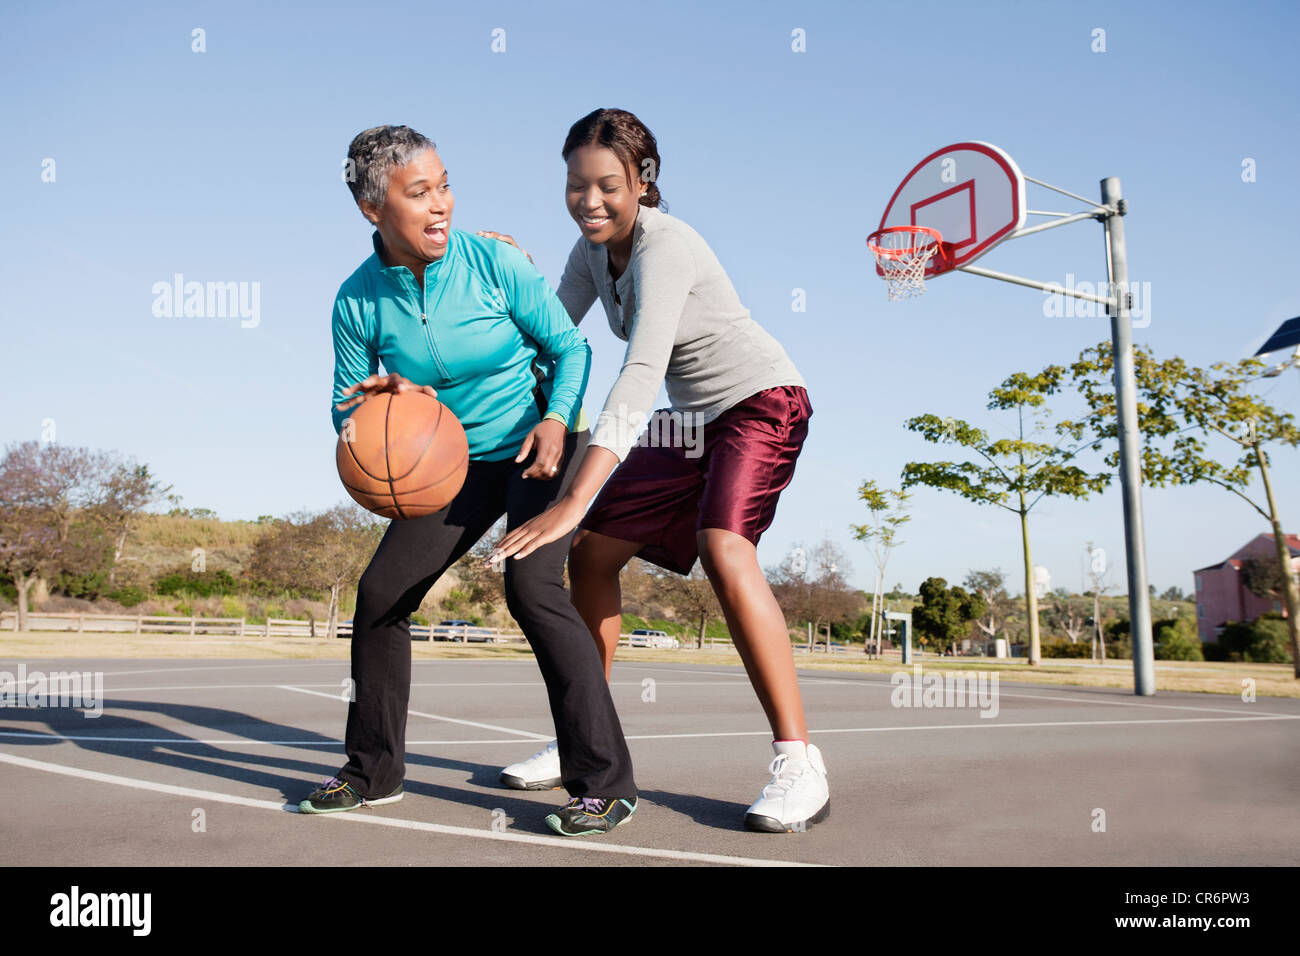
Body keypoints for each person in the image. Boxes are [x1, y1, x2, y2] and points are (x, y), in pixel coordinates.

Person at [487, 108, 828, 833]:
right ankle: (587, 736)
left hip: (759, 400)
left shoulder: (666, 246)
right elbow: (543, 339)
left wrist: (578, 494)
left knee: (724, 547)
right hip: (690, 422)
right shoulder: (589, 253)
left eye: (607, 185)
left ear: (643, 182)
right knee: (592, 555)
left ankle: (799, 762)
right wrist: (502, 277)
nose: (590, 201)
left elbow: (640, 372)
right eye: (576, 187)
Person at [298, 125, 637, 837]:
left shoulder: (492, 262)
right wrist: (381, 403)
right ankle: (372, 770)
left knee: (533, 586)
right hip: (447, 462)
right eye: (419, 193)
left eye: (444, 184)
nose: (440, 204)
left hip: (539, 440)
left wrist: (556, 415)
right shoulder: (356, 301)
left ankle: (604, 783)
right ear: (372, 210)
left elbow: (569, 346)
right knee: (381, 594)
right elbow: (344, 410)